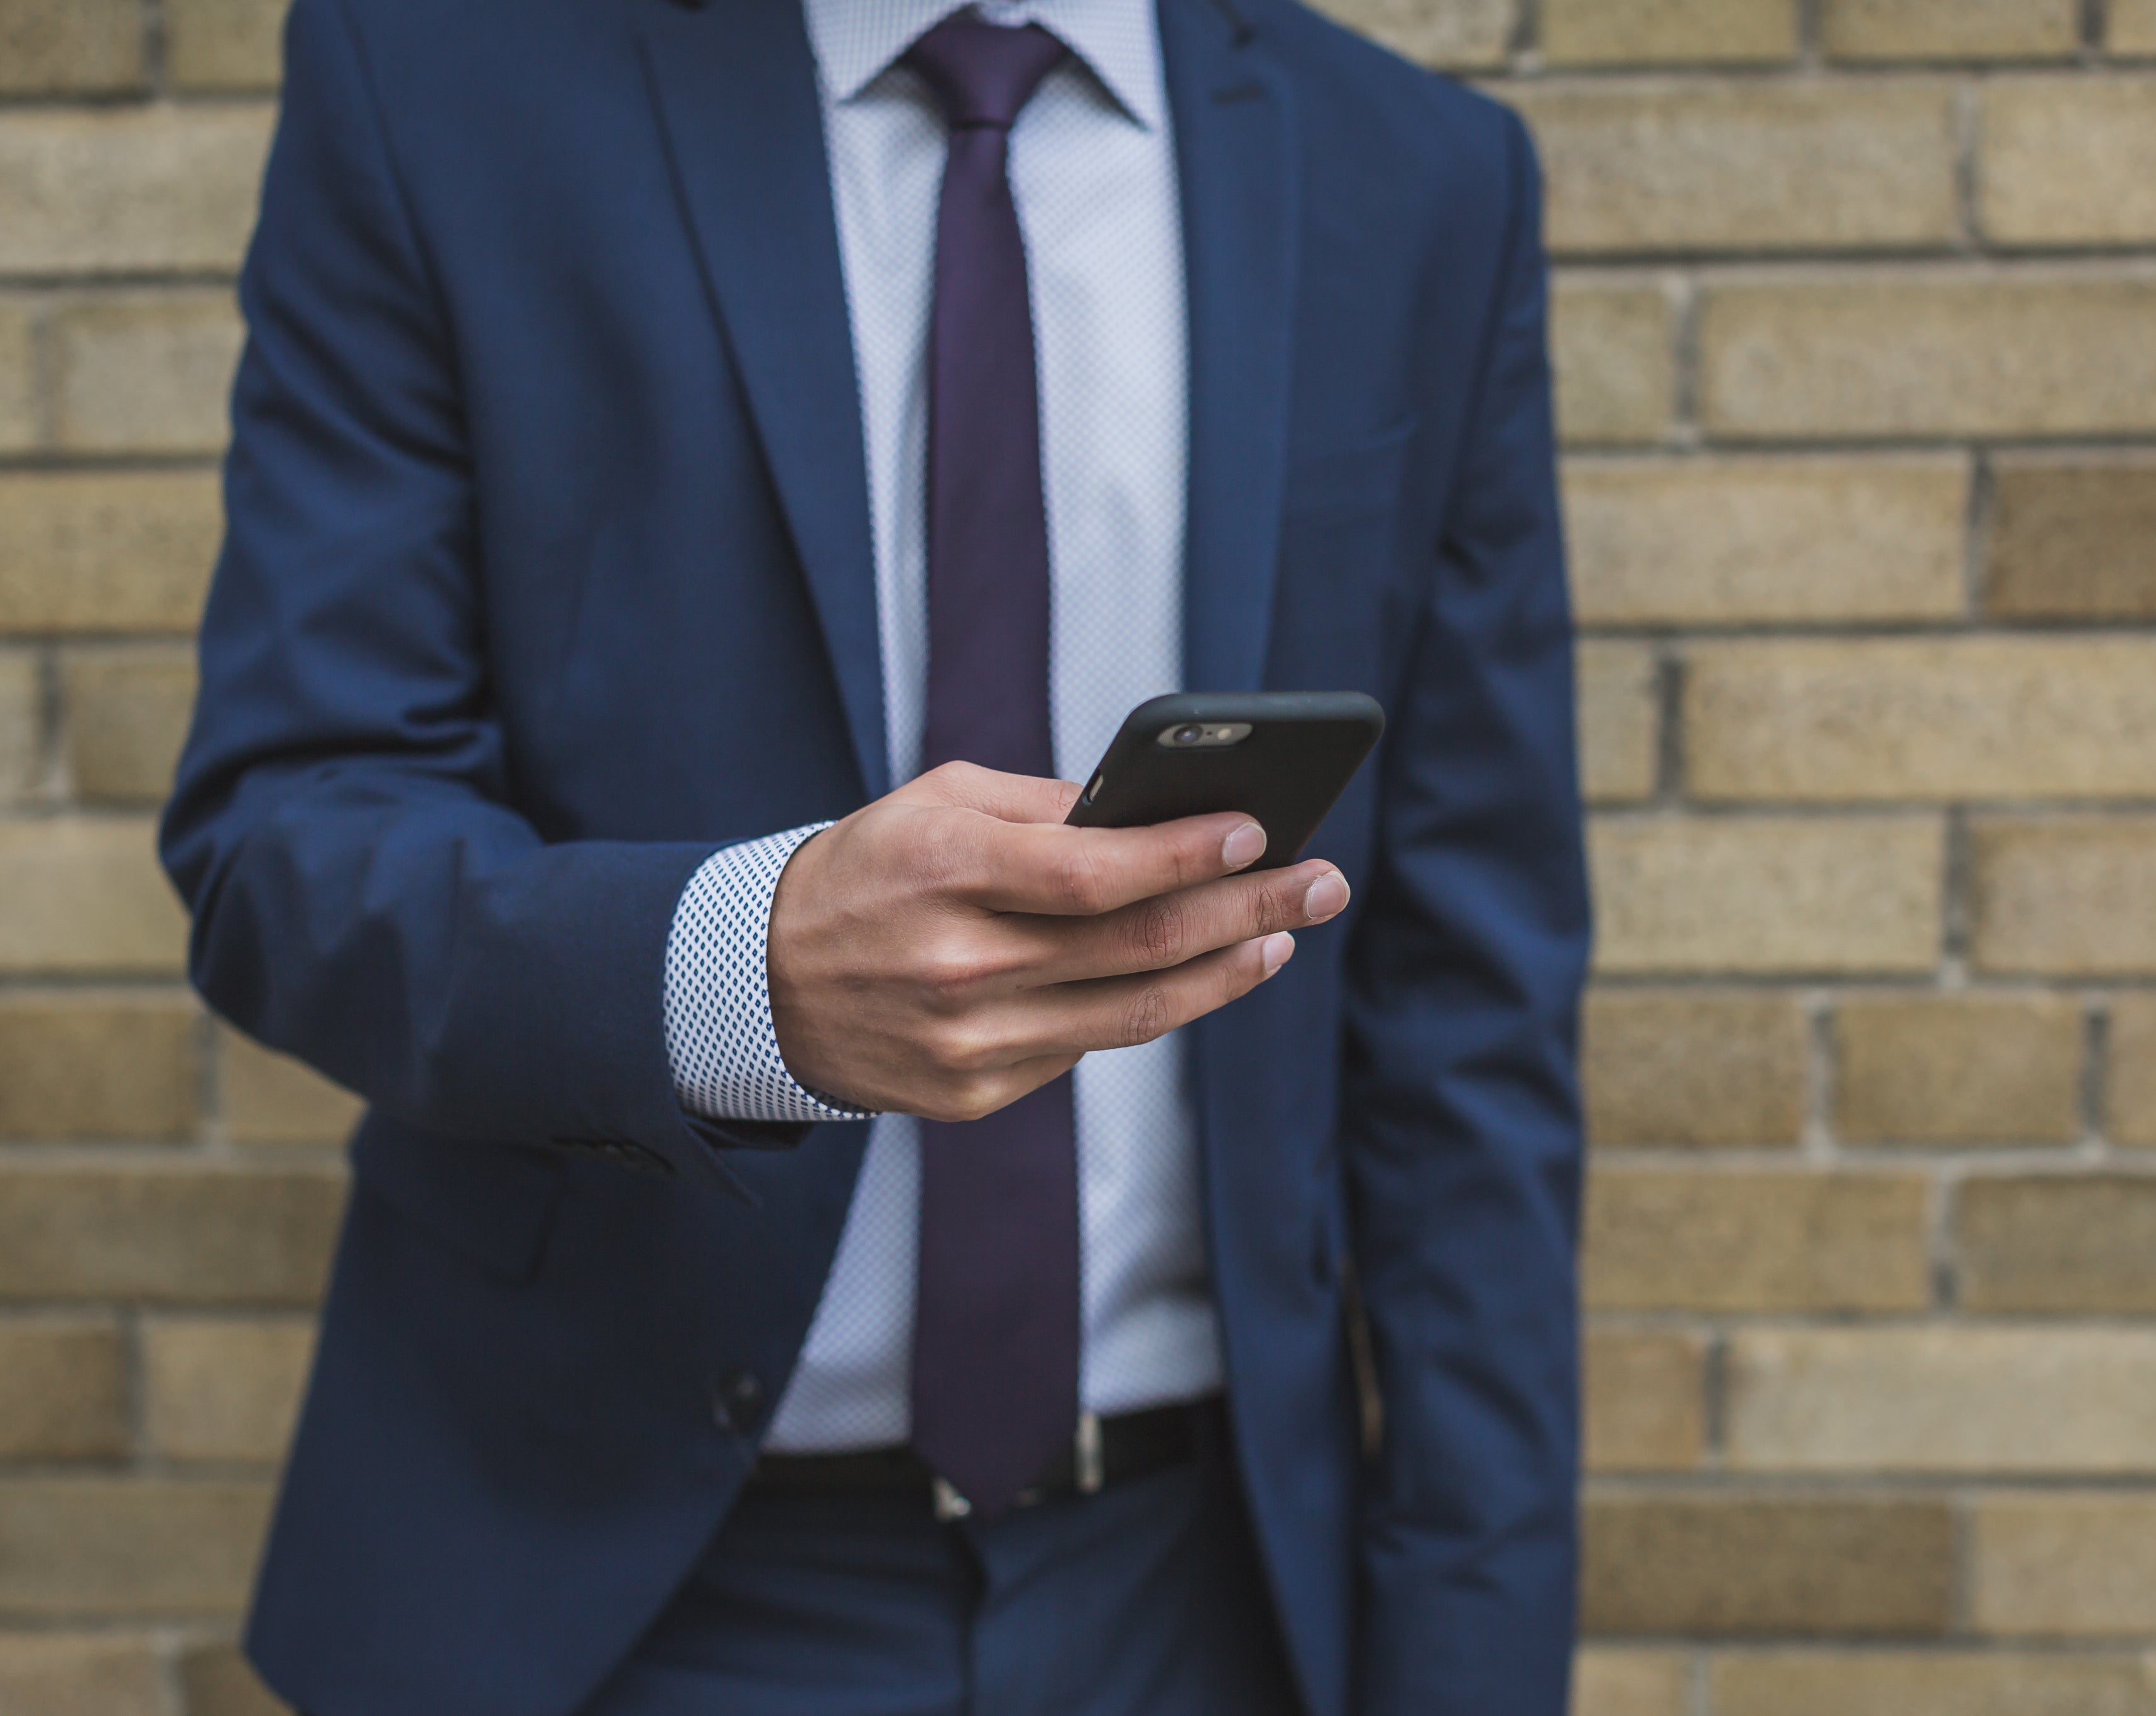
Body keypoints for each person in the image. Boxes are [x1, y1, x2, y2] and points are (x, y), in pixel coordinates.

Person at [158, 0, 1587, 1707]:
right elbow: (290, 834)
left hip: (1202, 1599)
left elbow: (1469, 1024)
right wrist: (736, 976)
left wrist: (1472, 1659)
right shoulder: (438, 85)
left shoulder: (1420, 174)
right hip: (620, 1594)